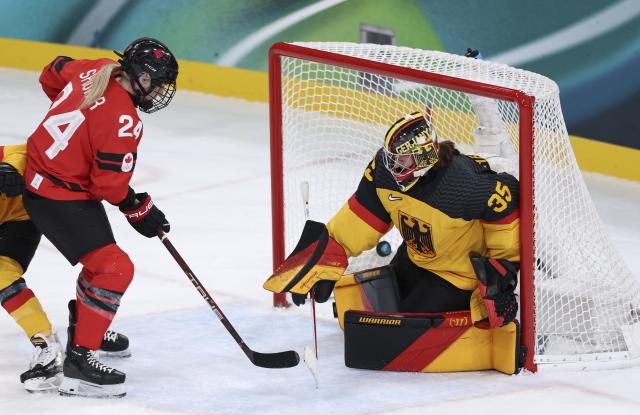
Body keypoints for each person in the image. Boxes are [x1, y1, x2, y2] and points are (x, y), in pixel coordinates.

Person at [264, 109, 522, 373]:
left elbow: (508, 205)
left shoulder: (462, 185)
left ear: (424, 157)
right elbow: (361, 217)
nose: (393, 166)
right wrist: (329, 254)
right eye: (391, 158)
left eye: (403, 160)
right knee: (380, 312)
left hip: (455, 278)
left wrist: (500, 280)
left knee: (396, 335)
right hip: (413, 259)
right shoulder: (385, 173)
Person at [21, 37, 178, 398]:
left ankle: (86, 329)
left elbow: (52, 72)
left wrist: (73, 120)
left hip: (49, 179)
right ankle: (79, 364)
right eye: (157, 84)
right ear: (139, 76)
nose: (159, 93)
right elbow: (108, 185)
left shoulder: (94, 68)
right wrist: (139, 208)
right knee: (115, 268)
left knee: (101, 263)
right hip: (55, 195)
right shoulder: (124, 120)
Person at [0, 144, 130, 393]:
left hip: (30, 209)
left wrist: (11, 169)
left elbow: (26, 150)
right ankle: (49, 344)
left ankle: (88, 331)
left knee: (102, 259)